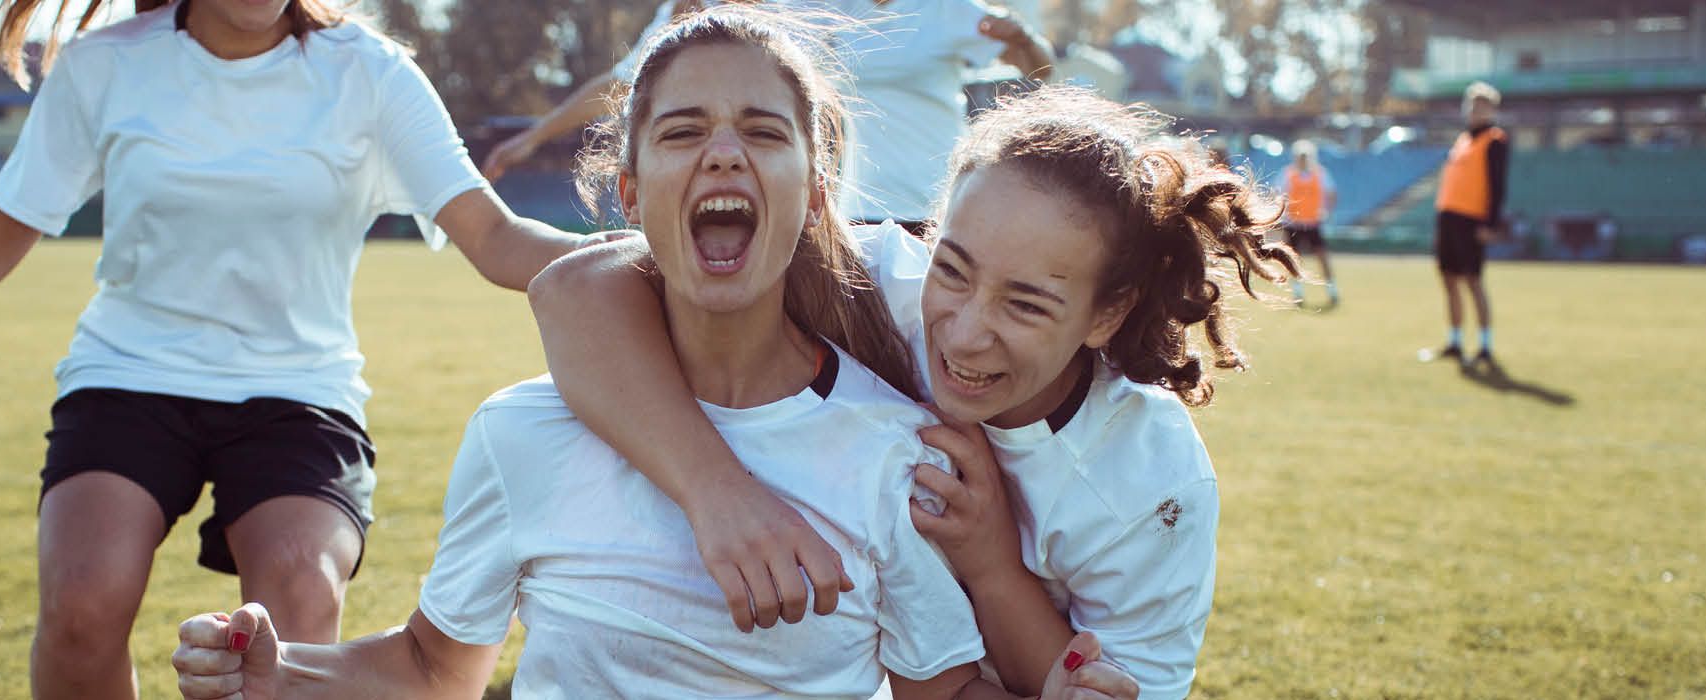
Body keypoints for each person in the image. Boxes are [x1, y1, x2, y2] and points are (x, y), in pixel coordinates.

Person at [168, 8, 1135, 698]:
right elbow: (430, 670)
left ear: (818, 186)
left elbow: (942, 690)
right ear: (629, 195)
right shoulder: (522, 432)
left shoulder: (894, 449)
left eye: (764, 131)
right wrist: (278, 668)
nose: (723, 155)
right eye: (682, 133)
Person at [0, 1, 603, 696]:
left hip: (299, 394)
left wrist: (635, 256)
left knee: (295, 602)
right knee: (82, 603)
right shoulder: (107, 66)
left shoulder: (372, 74)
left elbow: (495, 238)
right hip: (128, 379)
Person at [527, 84, 1297, 699]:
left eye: (1026, 305)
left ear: (1107, 312)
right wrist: (717, 493)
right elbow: (577, 288)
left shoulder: (1151, 480)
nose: (963, 335)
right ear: (933, 234)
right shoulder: (870, 284)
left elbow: (1104, 686)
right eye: (953, 268)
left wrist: (992, 563)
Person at [482, 0, 1053, 237]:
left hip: (933, 221)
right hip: (834, 224)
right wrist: (533, 137)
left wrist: (1026, 41)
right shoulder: (792, 8)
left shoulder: (950, 11)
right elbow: (629, 78)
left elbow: (1041, 72)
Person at [1428, 81, 1507, 367]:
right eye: (1472, 105)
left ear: (1492, 110)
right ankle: (1455, 341)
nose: (1475, 111)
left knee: (1473, 281)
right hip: (1448, 218)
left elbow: (1498, 186)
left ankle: (1485, 345)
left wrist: (1490, 223)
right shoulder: (1462, 140)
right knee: (1448, 279)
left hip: (1471, 220)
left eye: (1482, 106)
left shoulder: (1495, 140)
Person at [1278, 138, 1338, 309]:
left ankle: (1332, 291)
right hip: (1294, 224)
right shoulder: (1288, 174)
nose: (1303, 159)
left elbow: (1332, 194)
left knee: (1323, 258)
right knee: (1294, 261)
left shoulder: (1321, 174)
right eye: (1300, 156)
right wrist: (1283, 215)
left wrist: (1326, 211)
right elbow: (1277, 194)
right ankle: (1298, 294)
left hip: (1313, 223)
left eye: (1306, 156)